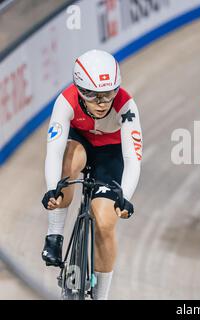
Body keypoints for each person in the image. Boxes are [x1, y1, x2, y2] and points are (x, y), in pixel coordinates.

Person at [41, 49, 142, 300]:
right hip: (80, 143)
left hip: (111, 154)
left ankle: (101, 296)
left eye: (108, 94)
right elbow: (53, 151)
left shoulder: (126, 105)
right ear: (79, 89)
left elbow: (132, 158)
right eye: (93, 95)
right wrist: (53, 188)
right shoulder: (66, 101)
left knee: (106, 224)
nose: (101, 103)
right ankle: (54, 236)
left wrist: (124, 197)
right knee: (65, 170)